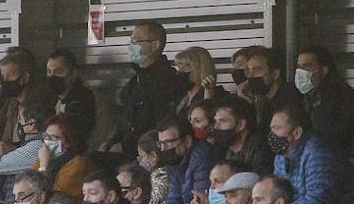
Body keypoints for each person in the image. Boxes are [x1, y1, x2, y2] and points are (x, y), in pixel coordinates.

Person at [269, 103, 354, 204]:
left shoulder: (319, 154)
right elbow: (279, 190)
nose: (272, 134)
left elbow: (316, 203)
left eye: (277, 128)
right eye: (271, 128)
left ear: (297, 132)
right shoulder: (281, 154)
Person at [293, 44, 354, 158]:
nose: (301, 72)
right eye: (299, 67)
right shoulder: (310, 96)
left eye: (307, 66)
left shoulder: (340, 98)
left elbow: (330, 138)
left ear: (324, 70)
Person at [110, 20, 184, 154]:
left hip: (146, 154)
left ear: (155, 44)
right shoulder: (136, 79)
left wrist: (126, 146)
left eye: (136, 41)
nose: (131, 46)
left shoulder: (167, 81)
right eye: (130, 42)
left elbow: (156, 124)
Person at [154, 116, 213, 204]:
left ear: (186, 140)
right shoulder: (174, 161)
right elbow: (173, 199)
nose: (164, 149)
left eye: (168, 143)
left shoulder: (203, 157)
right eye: (161, 144)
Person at [44, 47, 98, 145]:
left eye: (59, 72)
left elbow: (69, 135)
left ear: (73, 73)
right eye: (49, 72)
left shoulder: (83, 97)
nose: (52, 76)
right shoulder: (58, 98)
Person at [242, 46, 300, 129]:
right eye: (248, 71)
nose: (250, 76)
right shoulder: (264, 99)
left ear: (275, 74)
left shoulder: (289, 99)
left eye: (257, 70)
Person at [37, 116, 91, 197]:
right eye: (46, 136)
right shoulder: (46, 157)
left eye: (53, 138)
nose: (47, 141)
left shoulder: (78, 165)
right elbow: (28, 183)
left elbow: (49, 197)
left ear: (69, 142)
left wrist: (43, 166)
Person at [173, 46, 225, 118]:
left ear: (201, 68)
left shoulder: (218, 95)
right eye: (179, 67)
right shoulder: (180, 95)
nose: (180, 71)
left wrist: (208, 95)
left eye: (187, 66)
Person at [136, 131, 169, 204]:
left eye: (142, 156)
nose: (139, 161)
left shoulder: (162, 176)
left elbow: (153, 201)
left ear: (153, 156)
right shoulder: (153, 176)